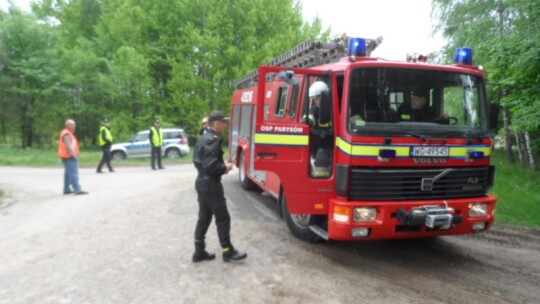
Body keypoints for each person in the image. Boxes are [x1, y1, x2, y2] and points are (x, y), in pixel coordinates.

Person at [192, 111, 247, 263]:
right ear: (216, 124)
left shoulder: (203, 138)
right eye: (223, 122)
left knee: (204, 217)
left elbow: (199, 161)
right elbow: (212, 166)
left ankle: (199, 251)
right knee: (223, 218)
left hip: (201, 183)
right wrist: (225, 167)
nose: (225, 125)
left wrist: (221, 166)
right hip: (211, 185)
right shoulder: (212, 140)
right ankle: (228, 251)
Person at [305, 81, 333, 177]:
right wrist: (307, 120)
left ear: (325, 97)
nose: (316, 101)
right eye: (314, 99)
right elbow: (309, 118)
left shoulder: (333, 109)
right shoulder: (314, 109)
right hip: (319, 145)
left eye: (318, 98)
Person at [58, 119, 88, 195]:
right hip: (69, 156)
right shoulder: (66, 134)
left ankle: (66, 189)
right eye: (72, 125)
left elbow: (72, 145)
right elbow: (68, 145)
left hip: (66, 155)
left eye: (74, 125)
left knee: (68, 173)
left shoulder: (67, 133)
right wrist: (72, 153)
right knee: (73, 173)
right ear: (67, 126)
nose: (74, 127)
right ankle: (77, 189)